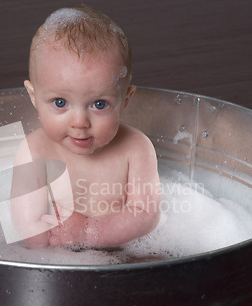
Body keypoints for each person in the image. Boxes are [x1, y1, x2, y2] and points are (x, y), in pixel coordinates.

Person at [11, 6, 160, 248]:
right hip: (55, 260)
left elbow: (146, 214)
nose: (80, 122)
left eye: (99, 104)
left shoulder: (136, 148)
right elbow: (29, 227)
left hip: (124, 255)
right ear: (33, 96)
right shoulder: (33, 151)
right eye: (60, 103)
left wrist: (91, 233)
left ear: (125, 101)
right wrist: (52, 244)